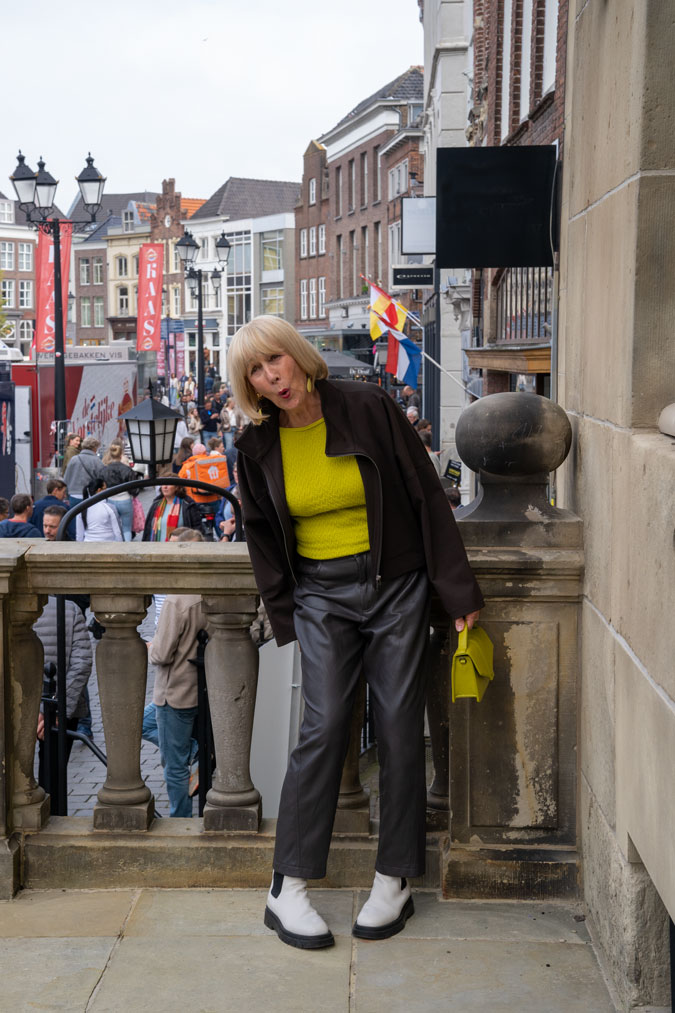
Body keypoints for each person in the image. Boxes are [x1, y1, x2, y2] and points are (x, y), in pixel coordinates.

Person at [230, 316, 483, 950]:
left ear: (298, 356)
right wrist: (287, 613)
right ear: (250, 384)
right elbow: (262, 537)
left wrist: (455, 592)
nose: (272, 378)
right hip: (320, 595)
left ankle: (394, 877)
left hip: (396, 586)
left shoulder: (369, 407)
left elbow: (427, 497)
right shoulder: (256, 446)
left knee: (399, 724)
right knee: (322, 726)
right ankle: (286, 888)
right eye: (256, 371)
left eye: (276, 361)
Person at [147, 528, 207, 816]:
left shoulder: (177, 599)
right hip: (198, 687)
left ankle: (179, 819)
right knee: (143, 721)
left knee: (173, 766)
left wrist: (148, 646)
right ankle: (195, 749)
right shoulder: (209, 590)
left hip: (174, 693)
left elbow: (161, 653)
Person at [35, 595, 93, 787]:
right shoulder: (70, 609)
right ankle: (53, 814)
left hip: (25, 708)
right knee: (52, 779)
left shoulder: (69, 610)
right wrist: (57, 707)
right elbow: (81, 664)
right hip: (59, 707)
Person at [142, 475, 203, 541]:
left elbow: (197, 528)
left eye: (168, 484)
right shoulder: (156, 504)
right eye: (163, 484)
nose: (165, 487)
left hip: (181, 548)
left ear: (177, 487)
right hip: (158, 548)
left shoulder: (187, 505)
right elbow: (148, 530)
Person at [101, 440, 139, 541]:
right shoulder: (126, 469)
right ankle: (126, 548)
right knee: (127, 528)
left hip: (110, 499)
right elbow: (134, 488)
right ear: (121, 454)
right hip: (125, 499)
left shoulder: (105, 469)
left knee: (114, 528)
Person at [63, 436, 104, 506]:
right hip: (90, 496)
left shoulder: (74, 459)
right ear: (94, 448)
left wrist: (66, 494)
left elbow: (66, 478)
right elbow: (101, 479)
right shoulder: (97, 461)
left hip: (73, 495)